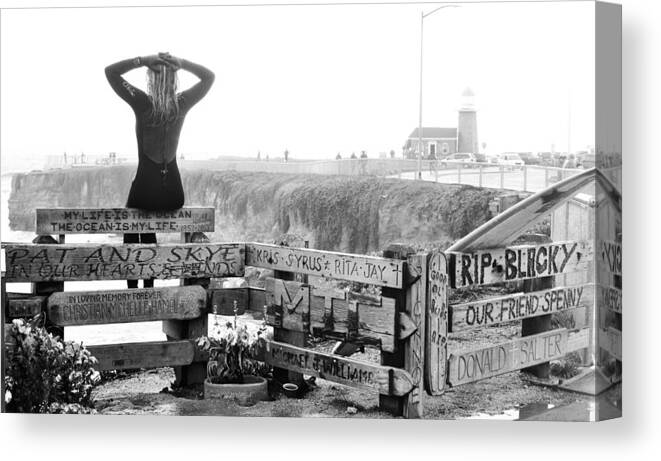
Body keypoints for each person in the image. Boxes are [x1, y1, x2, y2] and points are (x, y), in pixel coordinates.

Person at [105, 52, 214, 288]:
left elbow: (110, 72)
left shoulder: (142, 102)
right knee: (147, 216)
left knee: (134, 216)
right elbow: (208, 77)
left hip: (145, 192)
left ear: (150, 80)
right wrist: (182, 63)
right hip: (173, 195)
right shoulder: (182, 103)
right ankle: (151, 280)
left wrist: (143, 60)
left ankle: (134, 285)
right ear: (175, 80)